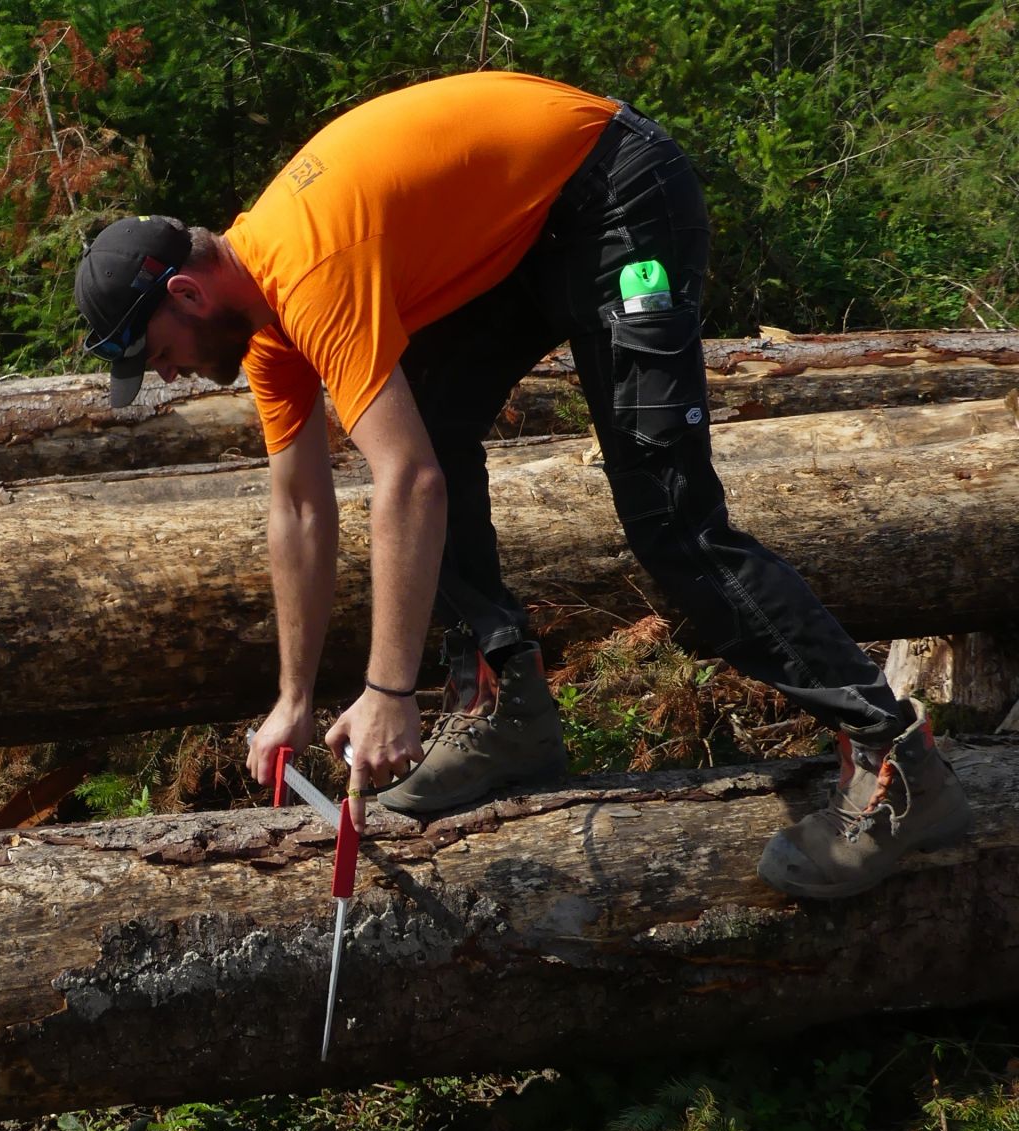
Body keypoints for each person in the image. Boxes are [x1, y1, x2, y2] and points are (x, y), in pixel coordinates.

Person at [72, 70, 969, 900]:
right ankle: (508, 705)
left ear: (187, 294)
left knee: (669, 518)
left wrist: (389, 693)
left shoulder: (307, 271)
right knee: (434, 416)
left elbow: (409, 482)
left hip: (618, 188)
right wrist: (293, 698)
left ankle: (898, 761)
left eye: (158, 355)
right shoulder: (270, 331)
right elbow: (300, 508)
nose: (169, 375)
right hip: (541, 224)